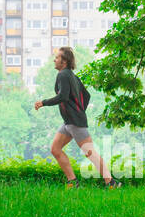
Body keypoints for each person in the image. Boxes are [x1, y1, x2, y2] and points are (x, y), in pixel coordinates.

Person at [34, 46, 119, 188]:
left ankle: (111, 182)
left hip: (75, 122)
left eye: (57, 57)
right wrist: (79, 110)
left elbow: (63, 96)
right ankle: (72, 182)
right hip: (69, 122)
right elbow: (87, 95)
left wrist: (43, 103)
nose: (54, 60)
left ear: (64, 61)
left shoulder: (63, 75)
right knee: (55, 149)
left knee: (90, 152)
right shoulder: (73, 76)